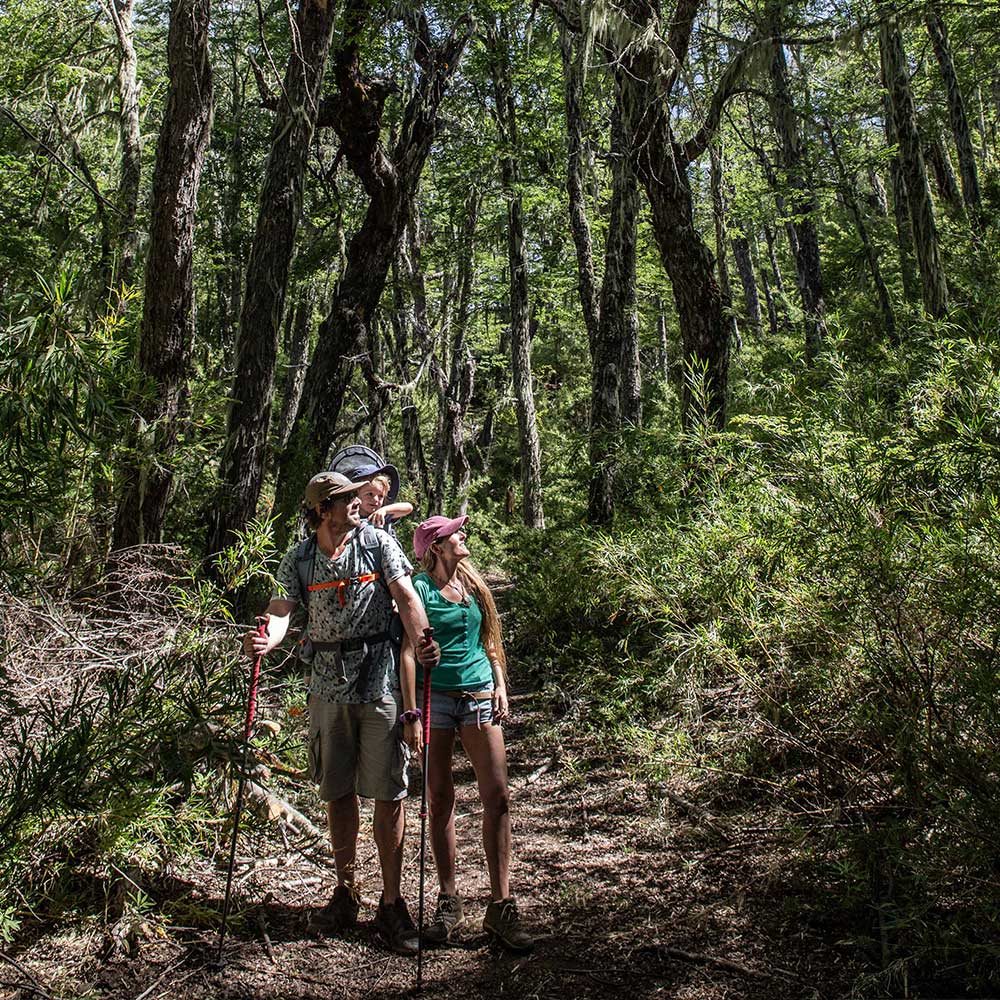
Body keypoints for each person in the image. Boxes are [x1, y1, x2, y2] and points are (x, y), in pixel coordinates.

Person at [243, 471, 440, 955]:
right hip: (326, 686)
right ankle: (347, 891)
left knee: (389, 791)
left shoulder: (377, 543)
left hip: (378, 681)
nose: (356, 503)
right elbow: (283, 610)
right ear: (320, 510)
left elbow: (406, 596)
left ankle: (392, 905)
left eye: (356, 497)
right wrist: (268, 638)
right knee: (338, 791)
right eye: (344, 499)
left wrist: (422, 637)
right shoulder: (301, 557)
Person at [399, 514, 533, 953]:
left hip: (478, 695)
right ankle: (449, 899)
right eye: (455, 533)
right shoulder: (418, 590)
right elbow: (408, 650)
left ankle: (502, 904)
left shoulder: (473, 585)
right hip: (435, 699)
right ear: (435, 546)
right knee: (440, 799)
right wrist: (412, 712)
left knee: (497, 796)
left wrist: (498, 683)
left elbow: (490, 639)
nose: (463, 536)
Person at [349, 462, 415, 536]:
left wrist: (385, 510)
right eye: (370, 494)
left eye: (381, 496)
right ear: (356, 494)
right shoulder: (349, 515)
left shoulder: (381, 515)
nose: (376, 499)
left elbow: (409, 507)